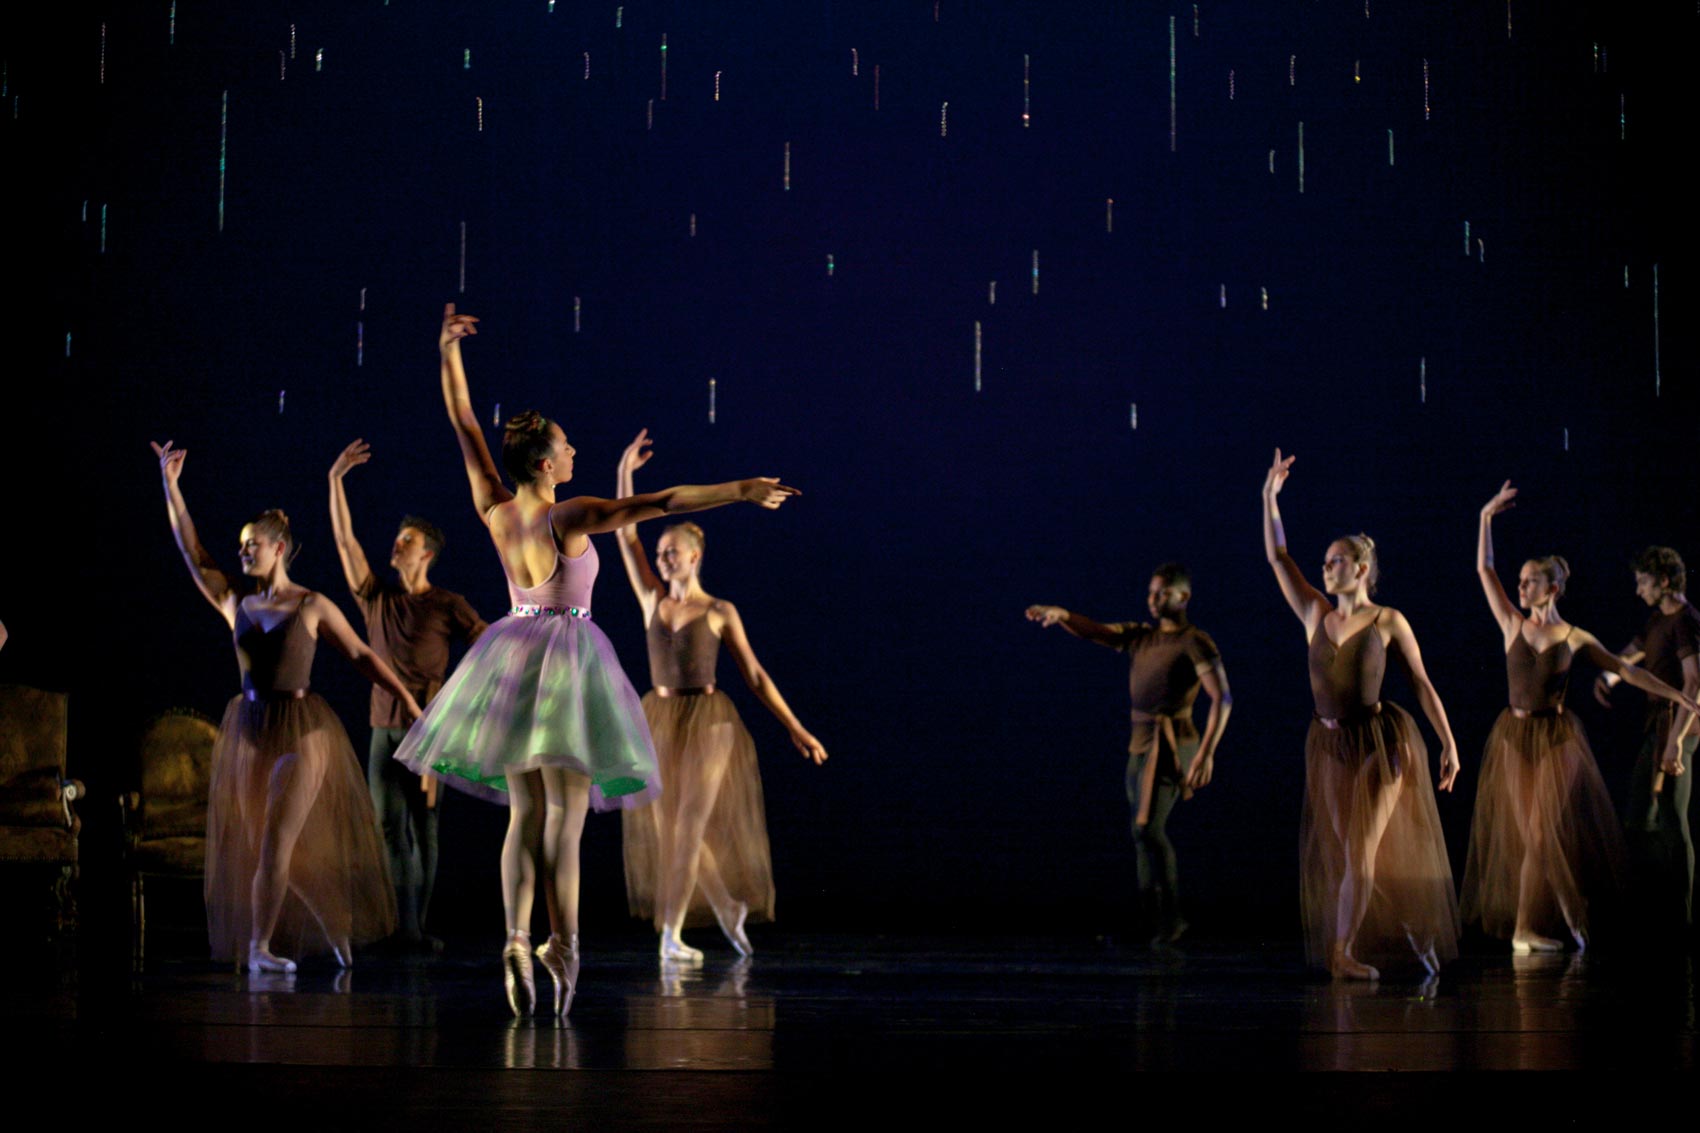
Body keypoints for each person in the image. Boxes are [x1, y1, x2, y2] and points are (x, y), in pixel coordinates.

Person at [394, 305, 801, 1017]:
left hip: (511, 654)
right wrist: (741, 489)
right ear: (547, 462)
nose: (575, 451)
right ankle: (565, 946)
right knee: (568, 813)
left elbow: (462, 419)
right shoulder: (569, 513)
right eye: (568, 446)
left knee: (523, 811)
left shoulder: (495, 508)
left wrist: (444, 350)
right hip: (566, 656)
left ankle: (515, 937)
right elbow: (662, 500)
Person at [150, 440, 417, 973]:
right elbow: (193, 552)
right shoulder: (237, 603)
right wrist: (171, 485)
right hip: (250, 729)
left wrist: (407, 699)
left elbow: (362, 654)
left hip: (302, 731)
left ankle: (258, 949)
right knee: (274, 850)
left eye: (251, 544)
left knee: (276, 842)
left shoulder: (311, 604)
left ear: (278, 547)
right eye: (241, 545)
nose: (242, 552)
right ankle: (330, 927)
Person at [613, 430, 828, 962]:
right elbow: (624, 534)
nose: (664, 559)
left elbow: (755, 675)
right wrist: (624, 473)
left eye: (673, 552)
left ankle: (671, 934)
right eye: (661, 553)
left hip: (710, 720)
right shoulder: (652, 603)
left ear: (696, 555)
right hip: (659, 713)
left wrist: (795, 728)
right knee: (669, 830)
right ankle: (726, 907)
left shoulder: (718, 611)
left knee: (688, 825)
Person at [1261, 448, 1461, 980]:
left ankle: (1342, 951)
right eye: (1325, 561)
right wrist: (1269, 499)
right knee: (1352, 855)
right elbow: (1279, 558)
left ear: (1362, 568)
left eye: (1336, 561)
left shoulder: (1388, 619)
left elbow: (1421, 681)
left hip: (1379, 740)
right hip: (1328, 743)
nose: (1326, 567)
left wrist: (1449, 743)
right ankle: (1409, 931)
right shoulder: (1314, 615)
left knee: (1362, 850)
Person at [1464, 483, 1690, 951]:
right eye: (1520, 580)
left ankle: (1528, 930)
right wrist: (1486, 516)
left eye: (1529, 580)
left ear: (1553, 587)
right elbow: (1485, 568)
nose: (1520, 586)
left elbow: (1626, 668)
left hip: (1558, 736)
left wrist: (1681, 697)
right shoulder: (1512, 623)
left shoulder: (1574, 636)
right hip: (1514, 733)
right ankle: (1573, 916)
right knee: (1533, 837)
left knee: (1544, 831)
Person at [328, 439, 488, 949]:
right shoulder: (377, 597)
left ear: (428, 553)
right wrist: (335, 481)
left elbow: (488, 642)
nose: (396, 544)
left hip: (430, 730)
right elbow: (346, 543)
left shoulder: (446, 604)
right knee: (388, 828)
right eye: (397, 538)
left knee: (426, 827)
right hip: (383, 728)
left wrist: (458, 698)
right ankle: (405, 927)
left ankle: (417, 926)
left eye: (407, 539)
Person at [1025, 562, 1232, 945]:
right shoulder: (1141, 637)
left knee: (1147, 828)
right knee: (1139, 835)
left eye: (1162, 594)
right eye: (1151, 592)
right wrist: (1063, 615)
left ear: (1183, 597)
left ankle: (1171, 919)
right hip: (1139, 744)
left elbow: (1222, 698)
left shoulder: (1194, 641)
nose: (1153, 600)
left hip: (1173, 745)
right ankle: (1149, 919)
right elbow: (1099, 632)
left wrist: (1206, 754)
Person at [1593, 545, 1700, 927]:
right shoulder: (1657, 620)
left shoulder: (1686, 621)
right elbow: (1634, 652)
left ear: (1665, 581)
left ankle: (1683, 916)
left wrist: (1676, 740)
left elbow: (1693, 682)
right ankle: (1659, 907)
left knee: (1672, 817)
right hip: (1656, 727)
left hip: (1678, 728)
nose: (1639, 590)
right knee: (1640, 818)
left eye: (1644, 582)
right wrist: (1608, 675)